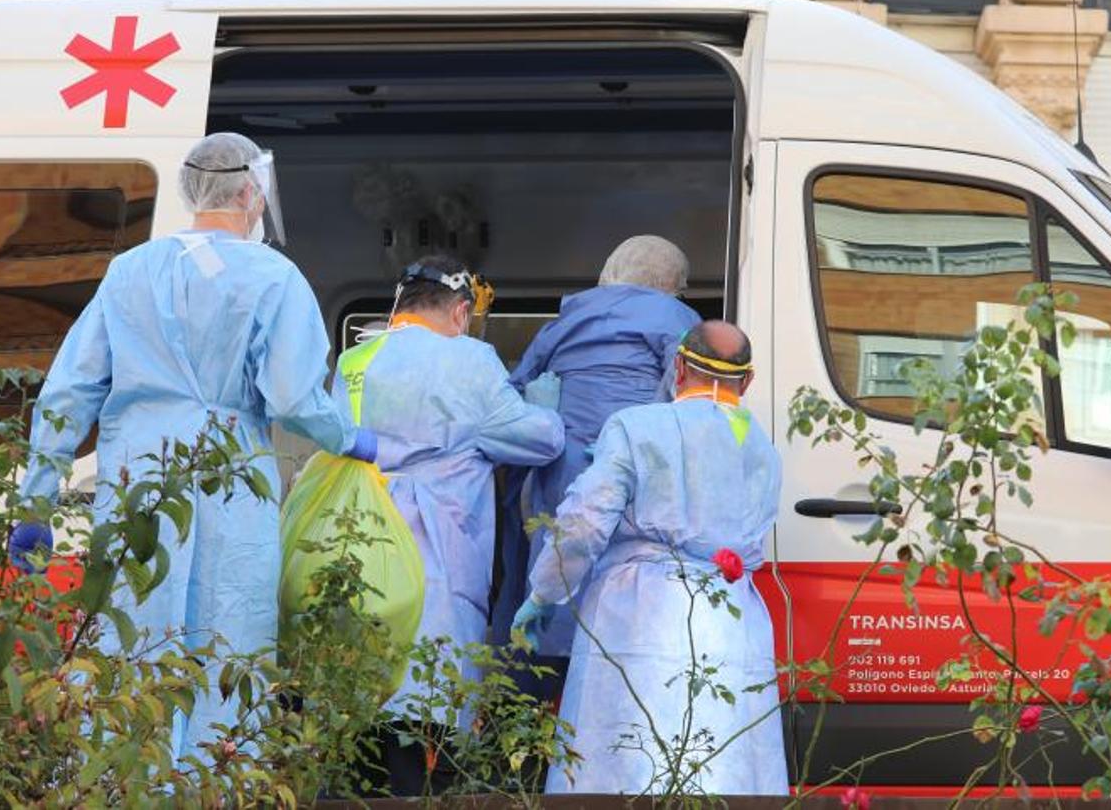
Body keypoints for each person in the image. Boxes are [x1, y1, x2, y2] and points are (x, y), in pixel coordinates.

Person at [16, 132, 379, 762]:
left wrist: (36, 501)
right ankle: (218, 788)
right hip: (230, 480)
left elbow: (68, 390)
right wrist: (350, 438)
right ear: (250, 193)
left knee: (127, 644)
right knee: (226, 647)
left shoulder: (130, 271)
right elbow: (295, 398)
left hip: (138, 477)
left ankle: (116, 790)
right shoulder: (273, 277)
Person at [514, 321, 786, 795]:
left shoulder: (635, 426)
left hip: (639, 611)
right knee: (727, 765)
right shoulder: (764, 450)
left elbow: (584, 523)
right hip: (732, 614)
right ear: (749, 380)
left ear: (678, 366)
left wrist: (544, 592)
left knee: (620, 764)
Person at [332, 255, 564, 794]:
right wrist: (545, 407)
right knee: (423, 718)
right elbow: (536, 440)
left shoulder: (356, 361)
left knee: (365, 729)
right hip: (435, 558)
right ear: (461, 312)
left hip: (359, 550)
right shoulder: (470, 361)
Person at [490, 235, 700, 689]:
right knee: (619, 605)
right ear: (671, 284)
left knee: (548, 581)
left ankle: (530, 714)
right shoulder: (680, 320)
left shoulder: (562, 323)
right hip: (633, 473)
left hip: (556, 470)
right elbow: (684, 396)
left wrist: (546, 412)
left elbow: (511, 397)